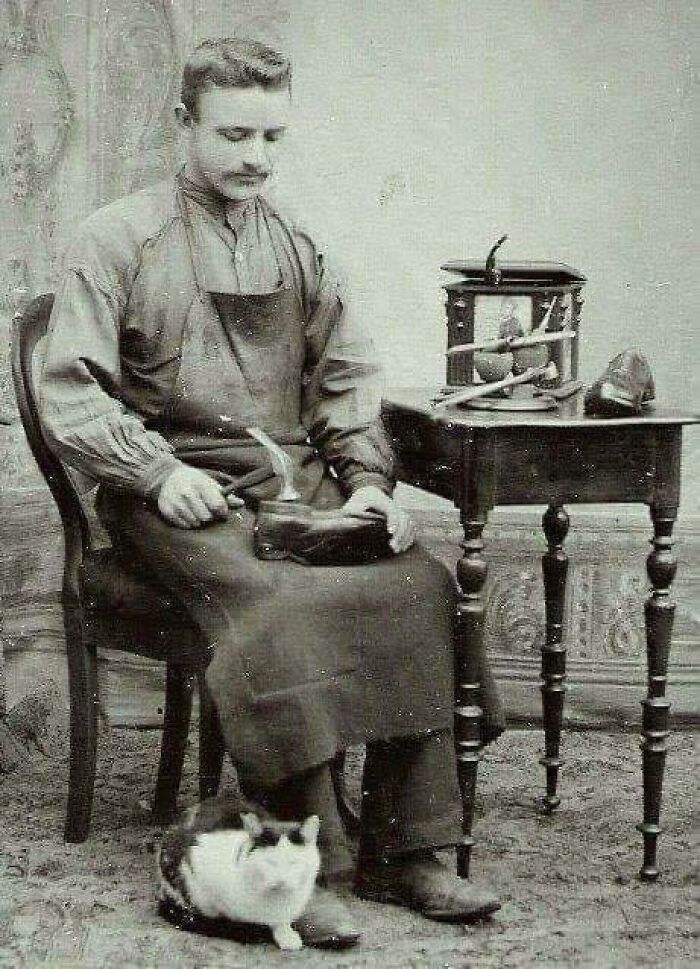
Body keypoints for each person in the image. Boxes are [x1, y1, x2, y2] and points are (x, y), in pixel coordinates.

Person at [39, 37, 504, 948]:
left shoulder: (299, 244)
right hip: (173, 495)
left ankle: (406, 851)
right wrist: (155, 472)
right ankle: (312, 862)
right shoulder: (116, 238)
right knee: (278, 604)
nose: (256, 157)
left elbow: (344, 381)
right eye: (235, 133)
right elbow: (69, 389)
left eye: (272, 136)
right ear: (183, 125)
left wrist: (369, 484)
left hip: (294, 487)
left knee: (419, 581)